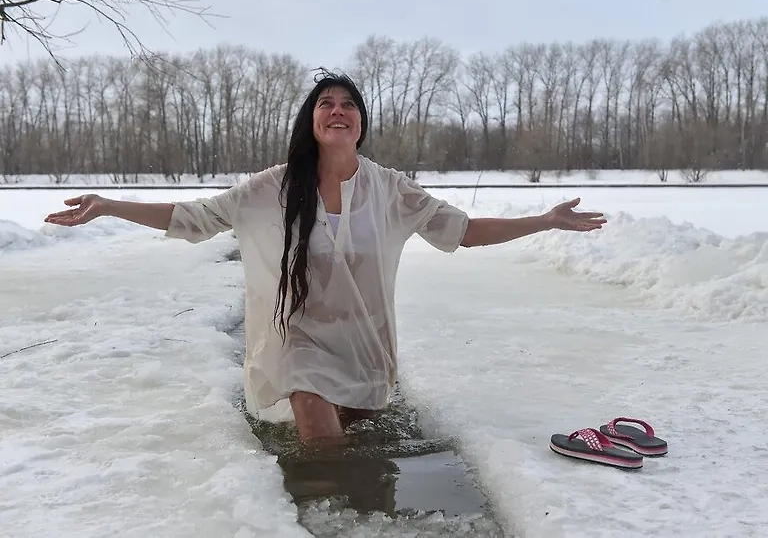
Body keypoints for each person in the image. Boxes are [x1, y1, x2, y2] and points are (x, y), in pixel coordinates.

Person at [44, 70, 607, 445]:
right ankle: (328, 507)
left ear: (361, 122)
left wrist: (545, 220)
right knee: (314, 411)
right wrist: (109, 205)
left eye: (348, 105)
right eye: (326, 104)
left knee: (352, 432)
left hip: (363, 341)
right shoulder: (272, 187)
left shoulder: (391, 189)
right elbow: (194, 217)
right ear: (311, 121)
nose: (338, 111)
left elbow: (463, 231)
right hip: (297, 337)